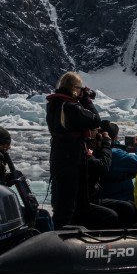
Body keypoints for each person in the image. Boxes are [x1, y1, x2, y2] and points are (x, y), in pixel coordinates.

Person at [45, 71, 103, 228]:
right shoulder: (71, 107)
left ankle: (57, 237)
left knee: (61, 203)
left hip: (58, 158)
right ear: (74, 89)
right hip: (72, 161)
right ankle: (65, 241)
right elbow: (95, 119)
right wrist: (87, 100)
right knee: (70, 206)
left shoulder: (54, 105)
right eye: (79, 88)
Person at [100, 123, 137, 202]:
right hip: (121, 199)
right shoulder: (115, 153)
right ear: (115, 137)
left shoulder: (93, 150)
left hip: (101, 197)